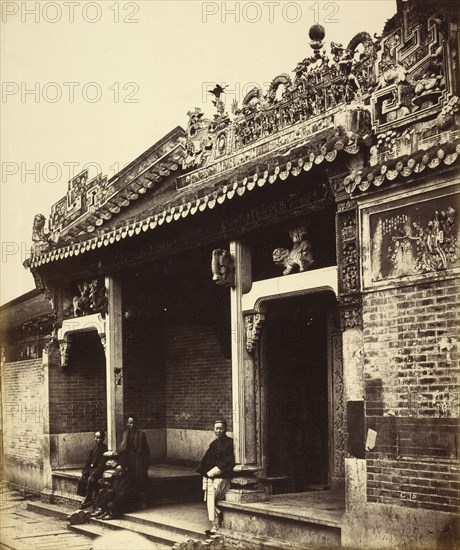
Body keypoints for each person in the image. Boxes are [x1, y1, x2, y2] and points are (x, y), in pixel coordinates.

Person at [197, 419, 235, 535]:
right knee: (209, 500)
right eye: (216, 428)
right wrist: (205, 473)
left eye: (221, 428)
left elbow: (228, 461)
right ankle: (216, 524)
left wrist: (212, 472)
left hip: (222, 477)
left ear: (226, 429)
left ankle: (216, 525)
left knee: (211, 499)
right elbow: (205, 460)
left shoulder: (230, 443)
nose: (218, 430)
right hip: (210, 478)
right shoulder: (213, 444)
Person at [118, 415, 150, 507]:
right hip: (128, 461)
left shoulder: (141, 435)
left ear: (136, 423)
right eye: (130, 422)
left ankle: (143, 501)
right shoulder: (125, 434)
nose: (131, 425)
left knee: (142, 481)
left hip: (138, 461)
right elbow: (122, 449)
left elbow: (146, 451)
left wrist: (145, 465)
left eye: (133, 422)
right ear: (127, 423)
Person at [77, 430, 108, 509]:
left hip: (99, 471)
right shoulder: (93, 449)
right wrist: (85, 473)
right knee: (82, 479)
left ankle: (89, 499)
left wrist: (93, 474)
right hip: (92, 470)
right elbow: (88, 463)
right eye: (96, 438)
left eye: (99, 438)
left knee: (91, 479)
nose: (97, 440)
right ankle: (86, 497)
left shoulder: (105, 449)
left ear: (103, 439)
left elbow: (102, 465)